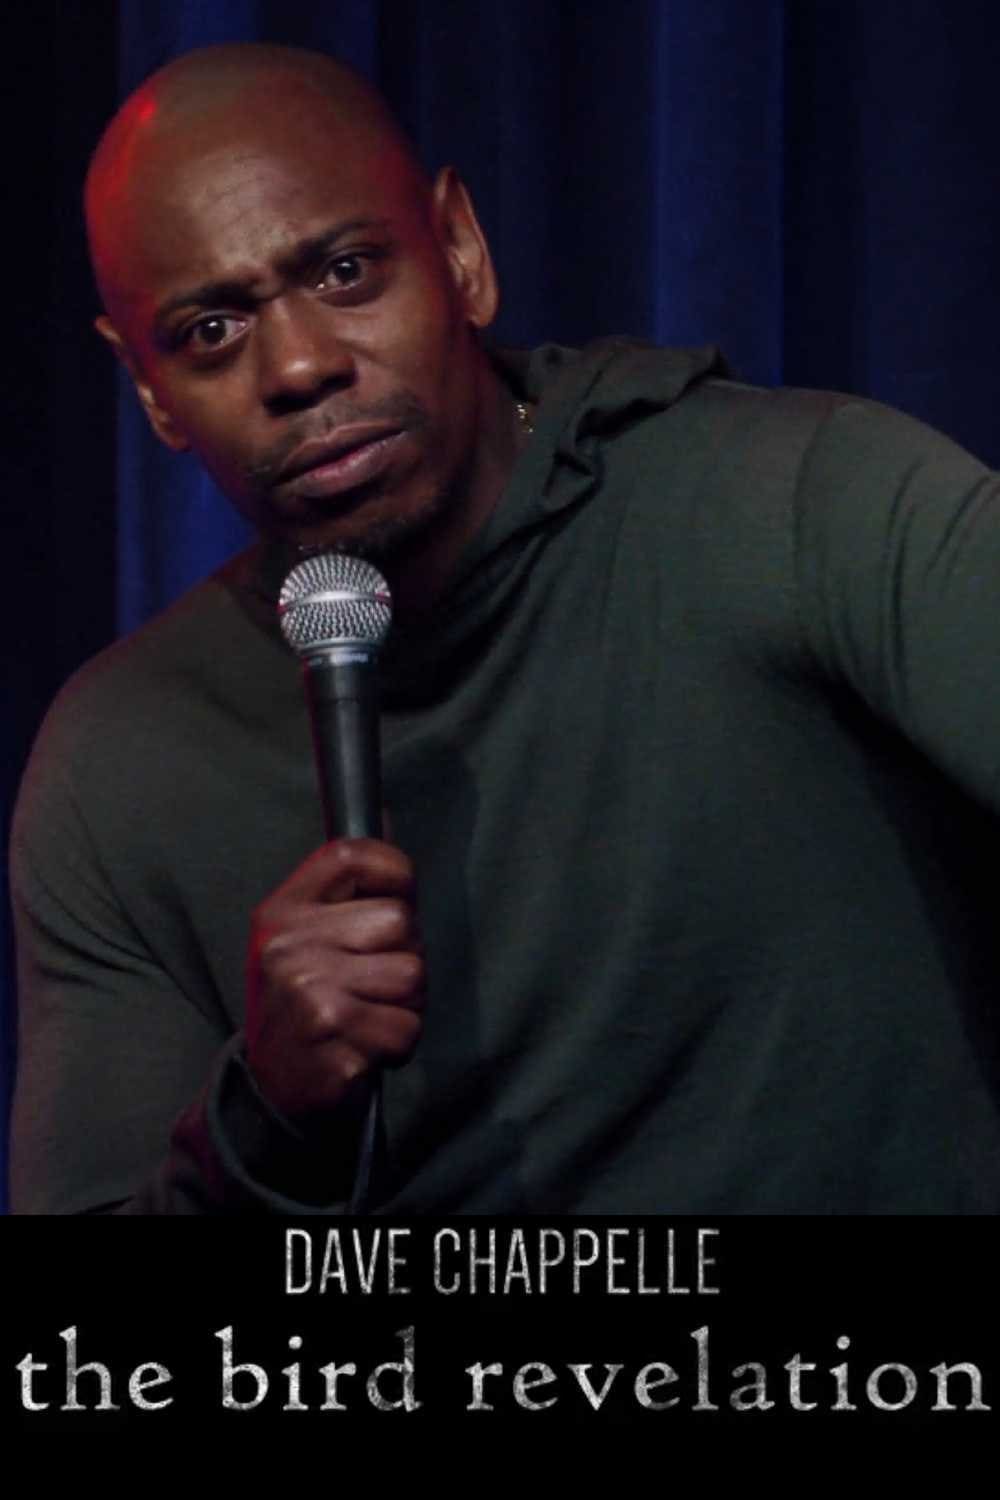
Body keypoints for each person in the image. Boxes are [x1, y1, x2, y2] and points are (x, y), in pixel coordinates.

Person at [10, 42, 1000, 1215]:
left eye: (346, 272)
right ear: (148, 390)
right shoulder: (123, 762)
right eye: (212, 332)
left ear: (461, 251)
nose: (301, 366)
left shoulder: (800, 505)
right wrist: (264, 1117)